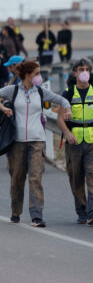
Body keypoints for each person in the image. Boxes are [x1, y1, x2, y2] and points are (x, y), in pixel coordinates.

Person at [0, 61, 71, 226]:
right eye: (37, 73)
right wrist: (3, 108)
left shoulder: (41, 91)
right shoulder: (13, 90)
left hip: (37, 141)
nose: (39, 77)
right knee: (17, 178)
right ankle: (15, 211)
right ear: (27, 75)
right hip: (17, 142)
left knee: (35, 178)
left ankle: (36, 215)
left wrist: (67, 109)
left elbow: (61, 99)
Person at [57, 58, 93, 225]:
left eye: (87, 69)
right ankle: (82, 212)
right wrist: (67, 134)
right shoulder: (68, 93)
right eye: (80, 69)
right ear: (74, 72)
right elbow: (59, 119)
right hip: (74, 143)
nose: (84, 72)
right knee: (76, 179)